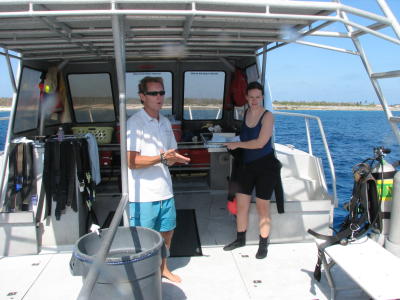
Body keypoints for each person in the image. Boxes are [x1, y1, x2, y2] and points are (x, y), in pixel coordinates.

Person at [126, 76, 190, 282]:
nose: (159, 97)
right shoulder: (134, 123)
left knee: (167, 232)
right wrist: (162, 157)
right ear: (142, 97)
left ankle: (163, 268)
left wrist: (174, 159)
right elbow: (132, 161)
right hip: (143, 195)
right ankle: (145, 276)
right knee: (144, 238)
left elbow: (169, 155)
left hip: (165, 190)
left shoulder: (165, 122)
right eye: (153, 93)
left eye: (161, 92)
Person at [223, 81, 281, 259]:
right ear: (247, 98)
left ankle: (263, 244)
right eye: (251, 97)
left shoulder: (268, 116)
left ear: (262, 97)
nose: (255, 100)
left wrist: (237, 144)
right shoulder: (246, 112)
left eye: (258, 97)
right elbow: (246, 136)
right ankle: (240, 238)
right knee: (242, 207)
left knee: (263, 207)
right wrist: (234, 141)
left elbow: (261, 143)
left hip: (265, 167)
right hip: (246, 167)